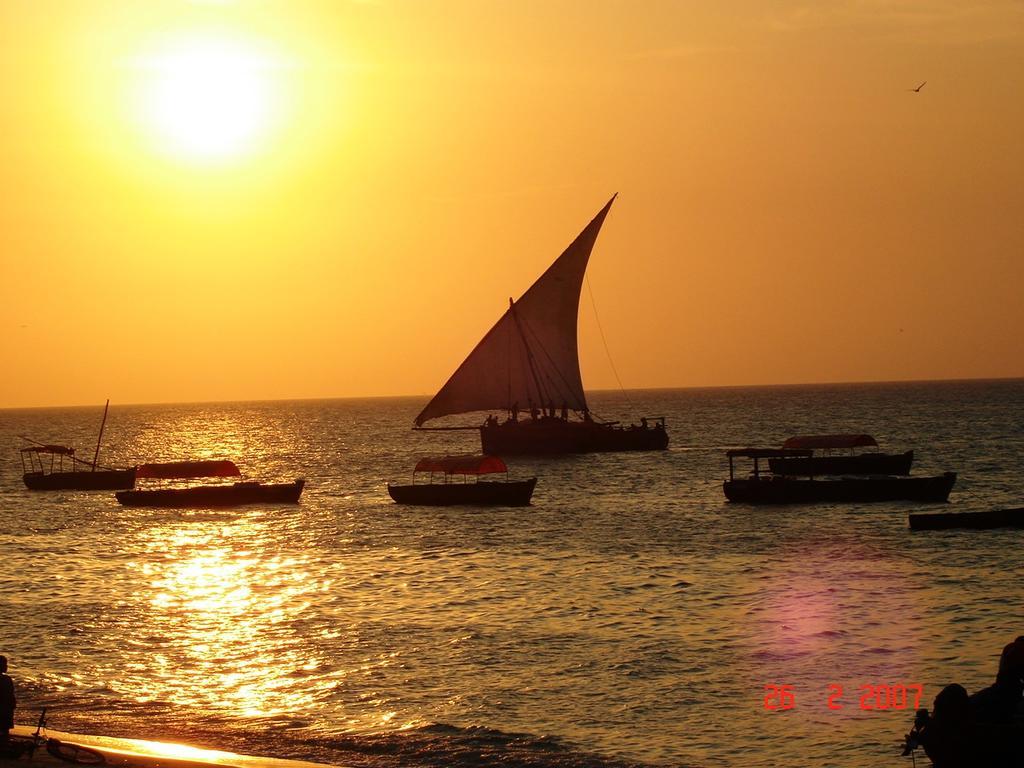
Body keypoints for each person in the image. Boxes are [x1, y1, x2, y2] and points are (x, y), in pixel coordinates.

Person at [0, 655, 15, 744]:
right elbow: (10, 695)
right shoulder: (6, 679)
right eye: (4, 664)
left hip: (5, 708)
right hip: (4, 710)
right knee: (4, 730)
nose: (6, 667)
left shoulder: (6, 679)